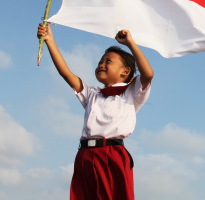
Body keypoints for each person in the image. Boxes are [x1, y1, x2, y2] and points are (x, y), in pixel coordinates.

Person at [37, 23, 154, 200]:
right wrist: (50, 40)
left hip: (112, 154)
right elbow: (66, 74)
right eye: (100, 61)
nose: (101, 64)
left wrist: (130, 43)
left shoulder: (131, 92)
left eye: (108, 61)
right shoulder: (92, 94)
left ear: (125, 71)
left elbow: (148, 74)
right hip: (85, 155)